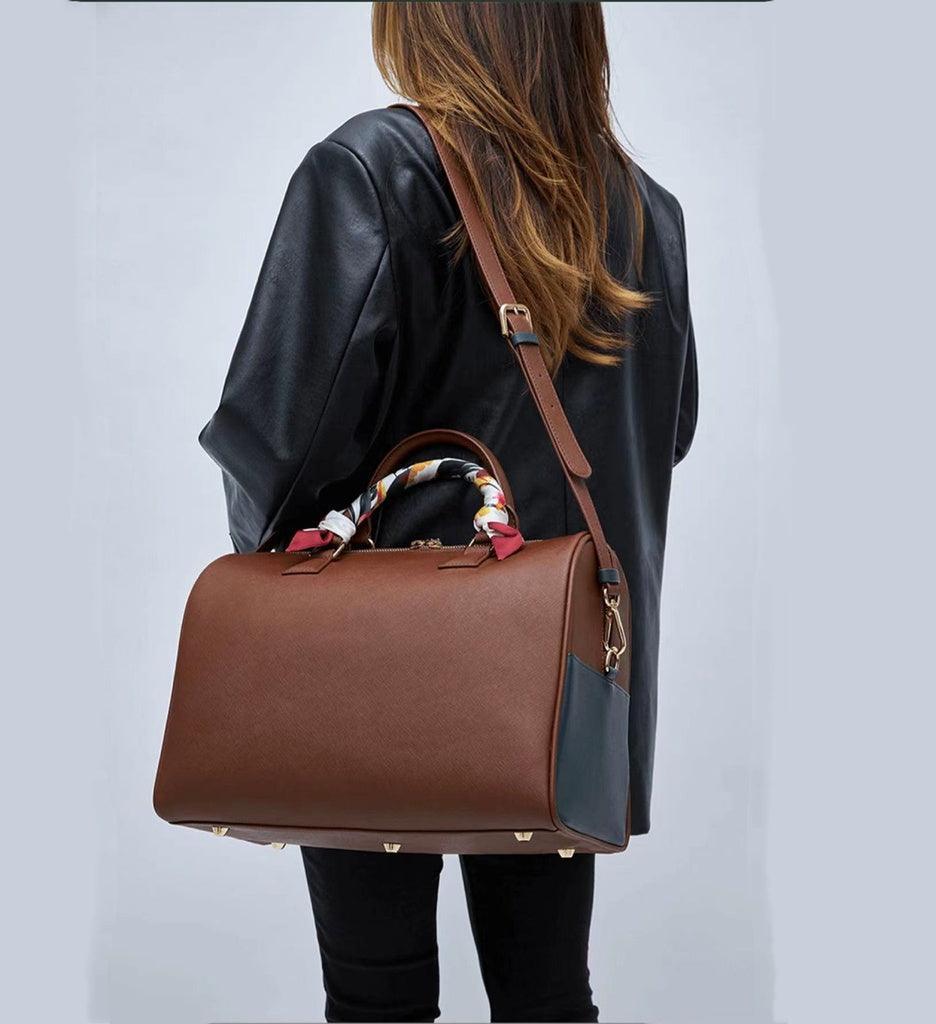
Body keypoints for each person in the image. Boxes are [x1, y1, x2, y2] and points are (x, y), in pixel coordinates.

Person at [199, 3, 697, 1021]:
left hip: (373, 665)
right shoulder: (644, 209)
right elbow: (666, 431)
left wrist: (279, 594)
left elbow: (278, 437)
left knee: (376, 998)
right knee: (547, 996)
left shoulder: (376, 168)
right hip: (564, 673)